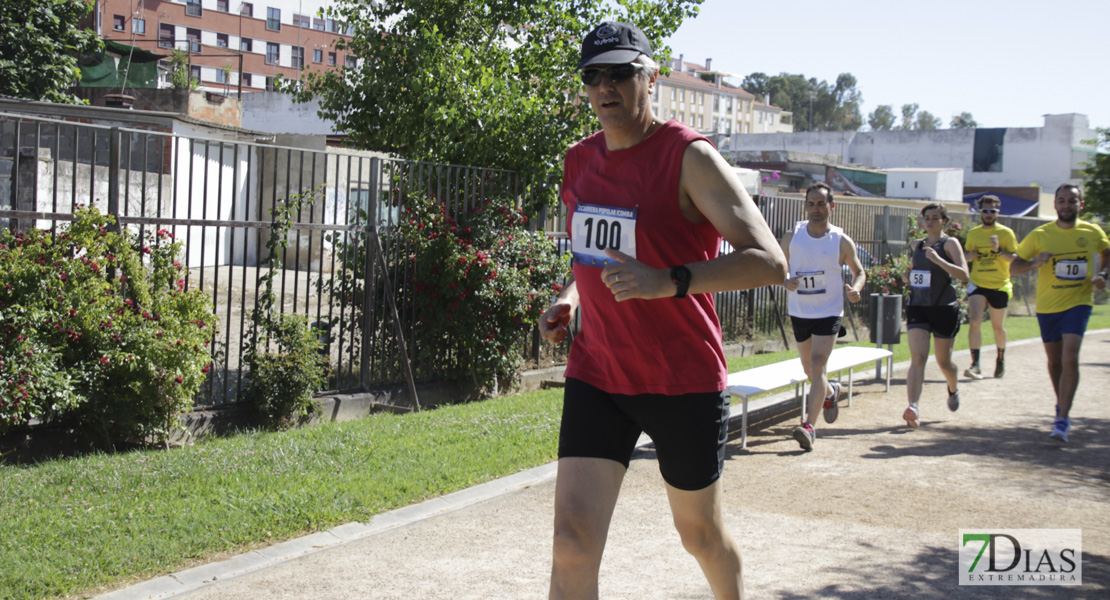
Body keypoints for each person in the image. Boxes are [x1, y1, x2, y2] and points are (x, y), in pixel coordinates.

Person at [538, 21, 787, 600]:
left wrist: (668, 282)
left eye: (620, 73)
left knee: (699, 535)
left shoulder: (688, 156)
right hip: (599, 372)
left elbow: (769, 262)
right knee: (571, 542)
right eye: (593, 76)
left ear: (650, 77)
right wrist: (569, 299)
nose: (606, 86)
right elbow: (593, 257)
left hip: (682, 379)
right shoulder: (578, 162)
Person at [1009, 184, 1109, 442]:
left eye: (1072, 201)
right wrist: (1034, 263)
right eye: (1062, 200)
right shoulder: (1041, 234)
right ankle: (1061, 404)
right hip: (1048, 306)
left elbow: (1106, 252)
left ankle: (1062, 418)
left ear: (1080, 205)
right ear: (1055, 205)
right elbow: (1014, 267)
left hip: (1079, 301)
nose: (1067, 205)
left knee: (1070, 357)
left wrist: (1103, 274)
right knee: (1054, 362)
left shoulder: (1092, 231)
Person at [780, 182, 866, 451]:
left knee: (818, 364)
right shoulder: (792, 236)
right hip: (800, 310)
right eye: (811, 203)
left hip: (829, 310)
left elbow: (859, 271)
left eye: (821, 203)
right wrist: (784, 280)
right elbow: (776, 265)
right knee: (809, 369)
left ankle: (808, 426)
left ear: (832, 205)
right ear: (805, 205)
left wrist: (856, 289)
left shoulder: (840, 240)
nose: (816, 209)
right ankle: (831, 392)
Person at [900, 203, 969, 428]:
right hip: (919, 306)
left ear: (944, 221)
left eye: (935, 218)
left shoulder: (950, 243)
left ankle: (953, 387)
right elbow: (915, 272)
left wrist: (939, 261)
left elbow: (964, 275)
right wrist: (907, 276)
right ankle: (913, 407)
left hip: (944, 308)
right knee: (918, 358)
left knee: (944, 362)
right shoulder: (917, 245)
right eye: (926, 218)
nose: (929, 221)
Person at [962, 194, 1018, 379]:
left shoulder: (1006, 233)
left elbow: (1014, 259)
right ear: (980, 212)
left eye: (992, 211)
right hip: (978, 282)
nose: (988, 214)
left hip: (1000, 285)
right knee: (975, 321)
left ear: (997, 212)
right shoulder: (974, 233)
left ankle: (1000, 358)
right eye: (985, 210)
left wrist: (998, 250)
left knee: (997, 327)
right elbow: (967, 255)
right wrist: (969, 256)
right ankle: (975, 364)